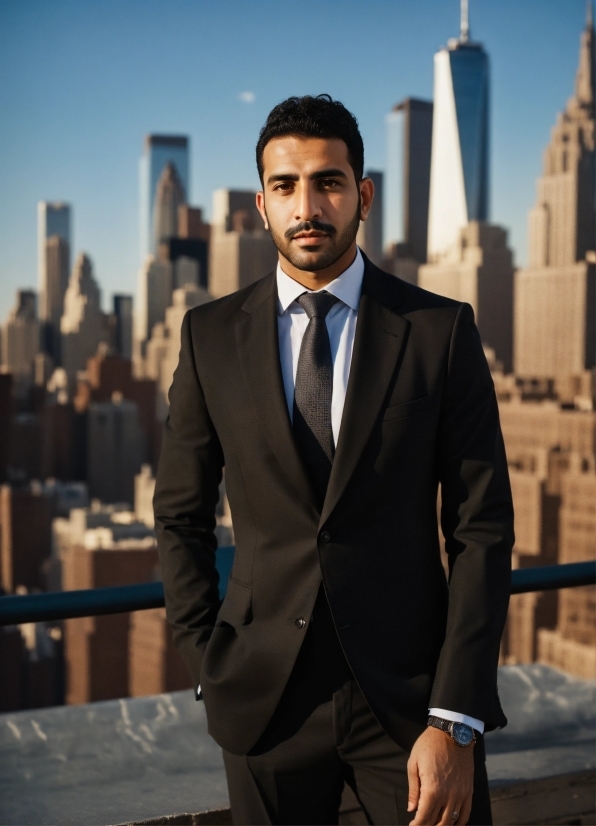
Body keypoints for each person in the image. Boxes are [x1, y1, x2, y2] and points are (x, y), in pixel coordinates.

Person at [153, 94, 514, 826]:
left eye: (328, 182)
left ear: (363, 195)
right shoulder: (208, 337)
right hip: (264, 705)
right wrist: (206, 665)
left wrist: (455, 719)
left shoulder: (439, 332)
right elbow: (179, 514)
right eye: (285, 187)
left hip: (413, 706)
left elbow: (481, 530)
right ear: (261, 204)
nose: (307, 206)